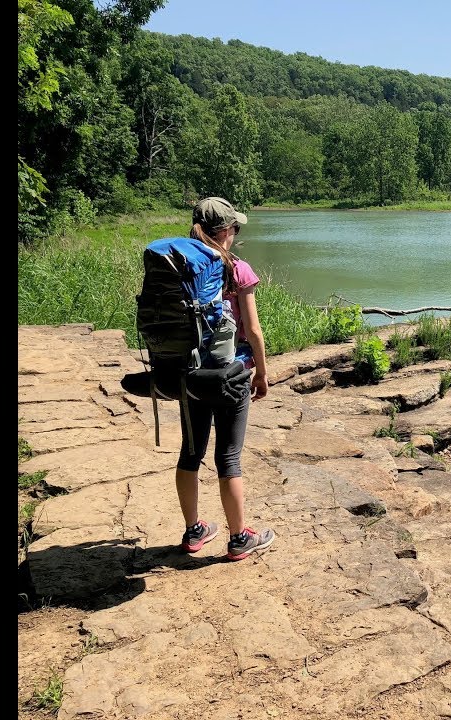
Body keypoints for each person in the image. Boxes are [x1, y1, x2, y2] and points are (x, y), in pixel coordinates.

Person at [175, 197, 275, 561]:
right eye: (235, 228)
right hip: (231, 375)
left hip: (189, 373)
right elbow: (254, 329)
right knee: (228, 456)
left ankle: (193, 531)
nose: (236, 233)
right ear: (226, 231)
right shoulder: (238, 269)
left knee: (190, 452)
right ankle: (238, 538)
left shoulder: (179, 265)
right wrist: (261, 374)